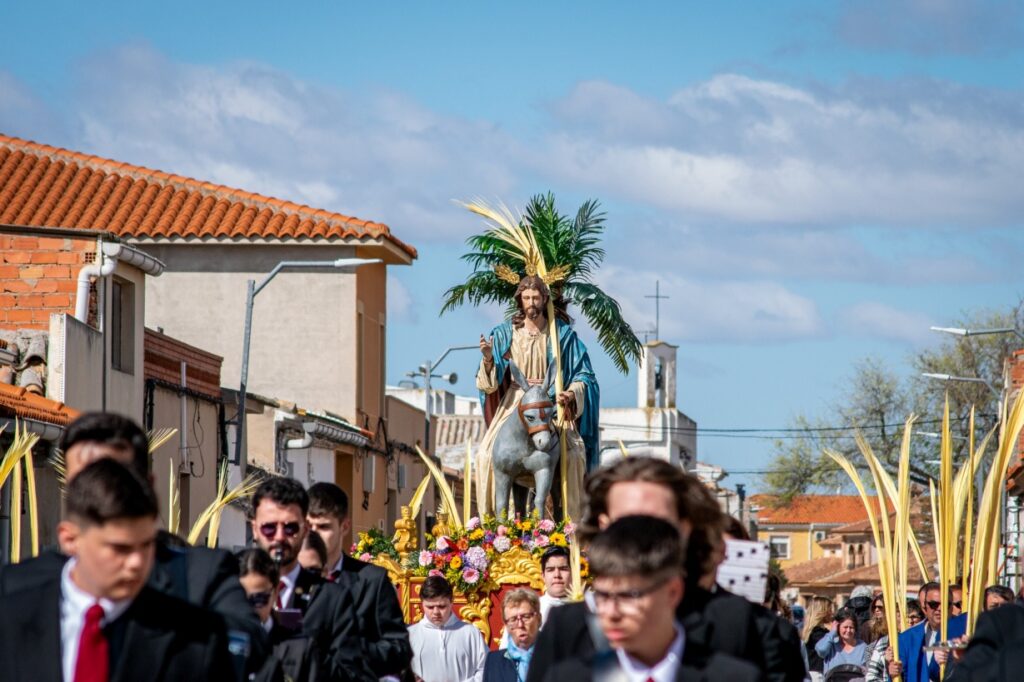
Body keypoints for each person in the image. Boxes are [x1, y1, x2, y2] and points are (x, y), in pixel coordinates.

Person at [0, 411, 267, 679]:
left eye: (113, 476)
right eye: (81, 480)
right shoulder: (17, 589)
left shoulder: (197, 579)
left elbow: (246, 646)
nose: (97, 489)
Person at [527, 458, 768, 682]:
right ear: (603, 526)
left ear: (685, 527)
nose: (641, 535)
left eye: (657, 522)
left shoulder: (732, 623)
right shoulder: (568, 626)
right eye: (627, 521)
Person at [541, 515, 761, 682]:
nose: (611, 613)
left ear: (673, 592)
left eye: (628, 596)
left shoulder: (735, 677)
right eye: (603, 597)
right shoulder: (567, 677)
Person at [475, 274, 599, 519]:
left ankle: (572, 522)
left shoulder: (562, 335)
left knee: (574, 455)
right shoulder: (504, 334)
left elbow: (585, 374)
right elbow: (489, 385)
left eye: (535, 297)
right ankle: (492, 523)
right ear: (519, 300)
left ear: (544, 299)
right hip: (516, 401)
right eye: (526, 298)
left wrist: (572, 392)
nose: (531, 302)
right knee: (485, 454)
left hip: (550, 401)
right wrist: (488, 359)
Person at [251, 476, 373, 681]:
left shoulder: (333, 598)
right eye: (269, 528)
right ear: (254, 529)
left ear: (305, 530)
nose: (279, 537)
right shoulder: (231, 588)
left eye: (290, 528)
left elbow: (353, 672)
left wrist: (305, 654)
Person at [307, 481, 412, 677]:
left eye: (323, 527)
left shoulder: (372, 581)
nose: (313, 534)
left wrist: (350, 647)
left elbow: (399, 649)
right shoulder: (288, 578)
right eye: (307, 526)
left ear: (344, 526)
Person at [238, 548, 321, 682]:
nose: (250, 608)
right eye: (241, 598)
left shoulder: (300, 649)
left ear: (275, 592)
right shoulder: (218, 644)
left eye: (259, 599)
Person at [408, 575, 488, 682]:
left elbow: (486, 668)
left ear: (451, 602)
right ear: (422, 603)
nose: (436, 612)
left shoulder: (470, 633)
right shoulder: (410, 635)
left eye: (441, 606)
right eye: (430, 607)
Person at [888, 581, 967, 682]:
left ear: (952, 607)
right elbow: (900, 674)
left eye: (945, 604)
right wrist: (892, 672)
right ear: (924, 607)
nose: (940, 608)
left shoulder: (965, 632)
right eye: (934, 604)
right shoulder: (907, 639)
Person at [483, 589, 543, 682]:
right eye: (513, 619)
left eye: (526, 617)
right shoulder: (494, 661)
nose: (520, 625)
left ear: (538, 619)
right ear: (506, 625)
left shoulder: (558, 656)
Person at [815, 607, 867, 674]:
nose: (848, 630)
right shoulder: (831, 644)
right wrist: (832, 632)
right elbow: (821, 650)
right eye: (845, 627)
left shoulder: (862, 647)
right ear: (838, 627)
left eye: (851, 627)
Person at [804, 597, 836, 677]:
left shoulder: (811, 631)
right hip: (818, 674)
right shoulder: (817, 633)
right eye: (829, 609)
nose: (832, 613)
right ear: (822, 612)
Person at [539, 546, 572, 621]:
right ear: (543, 576)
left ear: (573, 574)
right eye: (550, 570)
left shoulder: (586, 609)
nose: (557, 575)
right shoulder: (532, 610)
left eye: (563, 569)